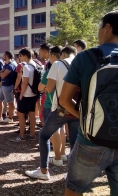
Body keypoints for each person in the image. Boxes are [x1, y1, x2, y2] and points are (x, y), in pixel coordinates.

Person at [60, 11, 118, 196]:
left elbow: (64, 99)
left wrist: (86, 118)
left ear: (107, 27)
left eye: (100, 27)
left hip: (91, 140)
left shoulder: (86, 57)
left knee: (75, 189)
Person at [25, 46, 79, 180]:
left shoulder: (58, 64)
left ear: (63, 54)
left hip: (62, 108)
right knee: (74, 141)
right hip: (78, 108)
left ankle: (43, 171)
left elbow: (49, 88)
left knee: (44, 136)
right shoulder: (81, 62)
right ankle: (73, 175)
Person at [10, 48, 37, 142]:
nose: (20, 57)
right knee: (32, 114)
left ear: (25, 56)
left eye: (20, 55)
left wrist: (21, 95)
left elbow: (24, 82)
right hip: (34, 93)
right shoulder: (35, 64)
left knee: (21, 115)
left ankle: (21, 136)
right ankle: (32, 134)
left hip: (26, 94)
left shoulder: (26, 67)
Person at [0, 51, 15, 123]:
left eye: (4, 55)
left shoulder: (10, 65)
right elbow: (0, 73)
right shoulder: (5, 65)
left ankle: (10, 118)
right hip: (3, 85)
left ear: (7, 56)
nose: (3, 56)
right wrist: (1, 73)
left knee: (10, 102)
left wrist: (1, 73)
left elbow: (2, 75)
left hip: (8, 86)